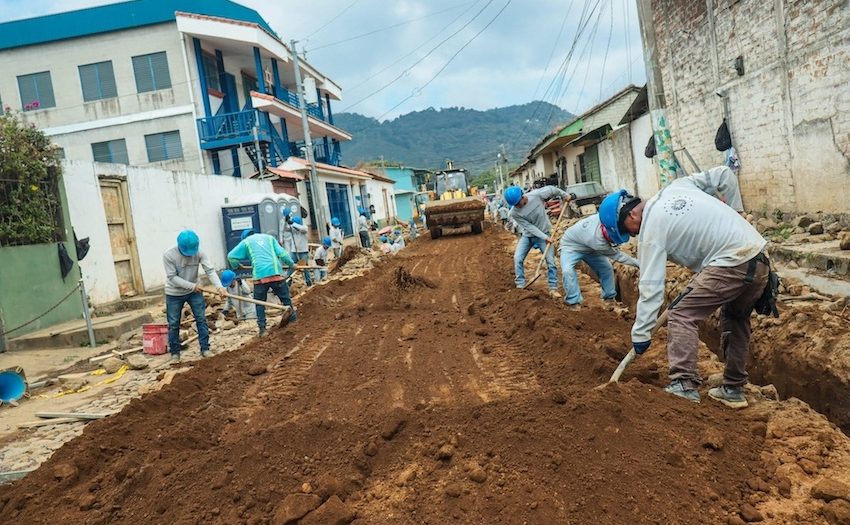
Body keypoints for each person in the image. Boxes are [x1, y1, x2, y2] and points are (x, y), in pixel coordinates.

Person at [603, 166, 767, 407]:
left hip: (730, 262)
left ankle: (684, 384)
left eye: (628, 231)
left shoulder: (650, 229)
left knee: (681, 314)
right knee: (735, 318)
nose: (634, 236)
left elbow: (651, 287)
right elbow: (724, 174)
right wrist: (737, 211)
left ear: (631, 216)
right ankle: (733, 389)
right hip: (760, 258)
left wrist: (640, 334)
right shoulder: (677, 187)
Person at [162, 230, 225, 362]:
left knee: (201, 319)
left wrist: (219, 287)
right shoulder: (169, 255)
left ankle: (205, 349)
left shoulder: (199, 252)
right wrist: (192, 286)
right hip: (174, 293)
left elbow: (210, 270)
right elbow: (172, 277)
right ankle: (175, 353)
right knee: (173, 323)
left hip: (194, 293)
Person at [227, 229, 297, 337]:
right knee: (286, 300)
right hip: (276, 273)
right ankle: (294, 322)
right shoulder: (270, 238)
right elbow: (283, 254)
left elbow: (231, 256)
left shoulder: (246, 242)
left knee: (259, 304)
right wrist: (292, 264)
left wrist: (237, 266)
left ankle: (263, 329)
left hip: (260, 276)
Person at [505, 185, 572, 297]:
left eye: (518, 203)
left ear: (522, 196)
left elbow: (552, 189)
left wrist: (565, 195)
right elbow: (529, 227)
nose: (517, 206)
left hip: (544, 232)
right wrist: (545, 237)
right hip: (528, 236)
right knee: (517, 258)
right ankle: (520, 285)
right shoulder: (514, 213)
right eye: (515, 205)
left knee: (550, 261)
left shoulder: (536, 195)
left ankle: (553, 288)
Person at [559, 213, 639, 306]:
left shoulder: (605, 217)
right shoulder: (598, 242)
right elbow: (619, 256)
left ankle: (609, 298)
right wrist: (638, 263)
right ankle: (573, 301)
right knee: (567, 270)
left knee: (606, 268)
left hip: (590, 248)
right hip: (571, 246)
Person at [288, 215, 312, 287]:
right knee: (291, 266)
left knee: (305, 268)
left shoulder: (304, 228)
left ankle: (308, 282)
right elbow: (286, 228)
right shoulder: (292, 228)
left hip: (303, 251)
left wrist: (293, 223)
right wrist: (287, 221)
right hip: (294, 251)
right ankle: (288, 281)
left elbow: (302, 228)